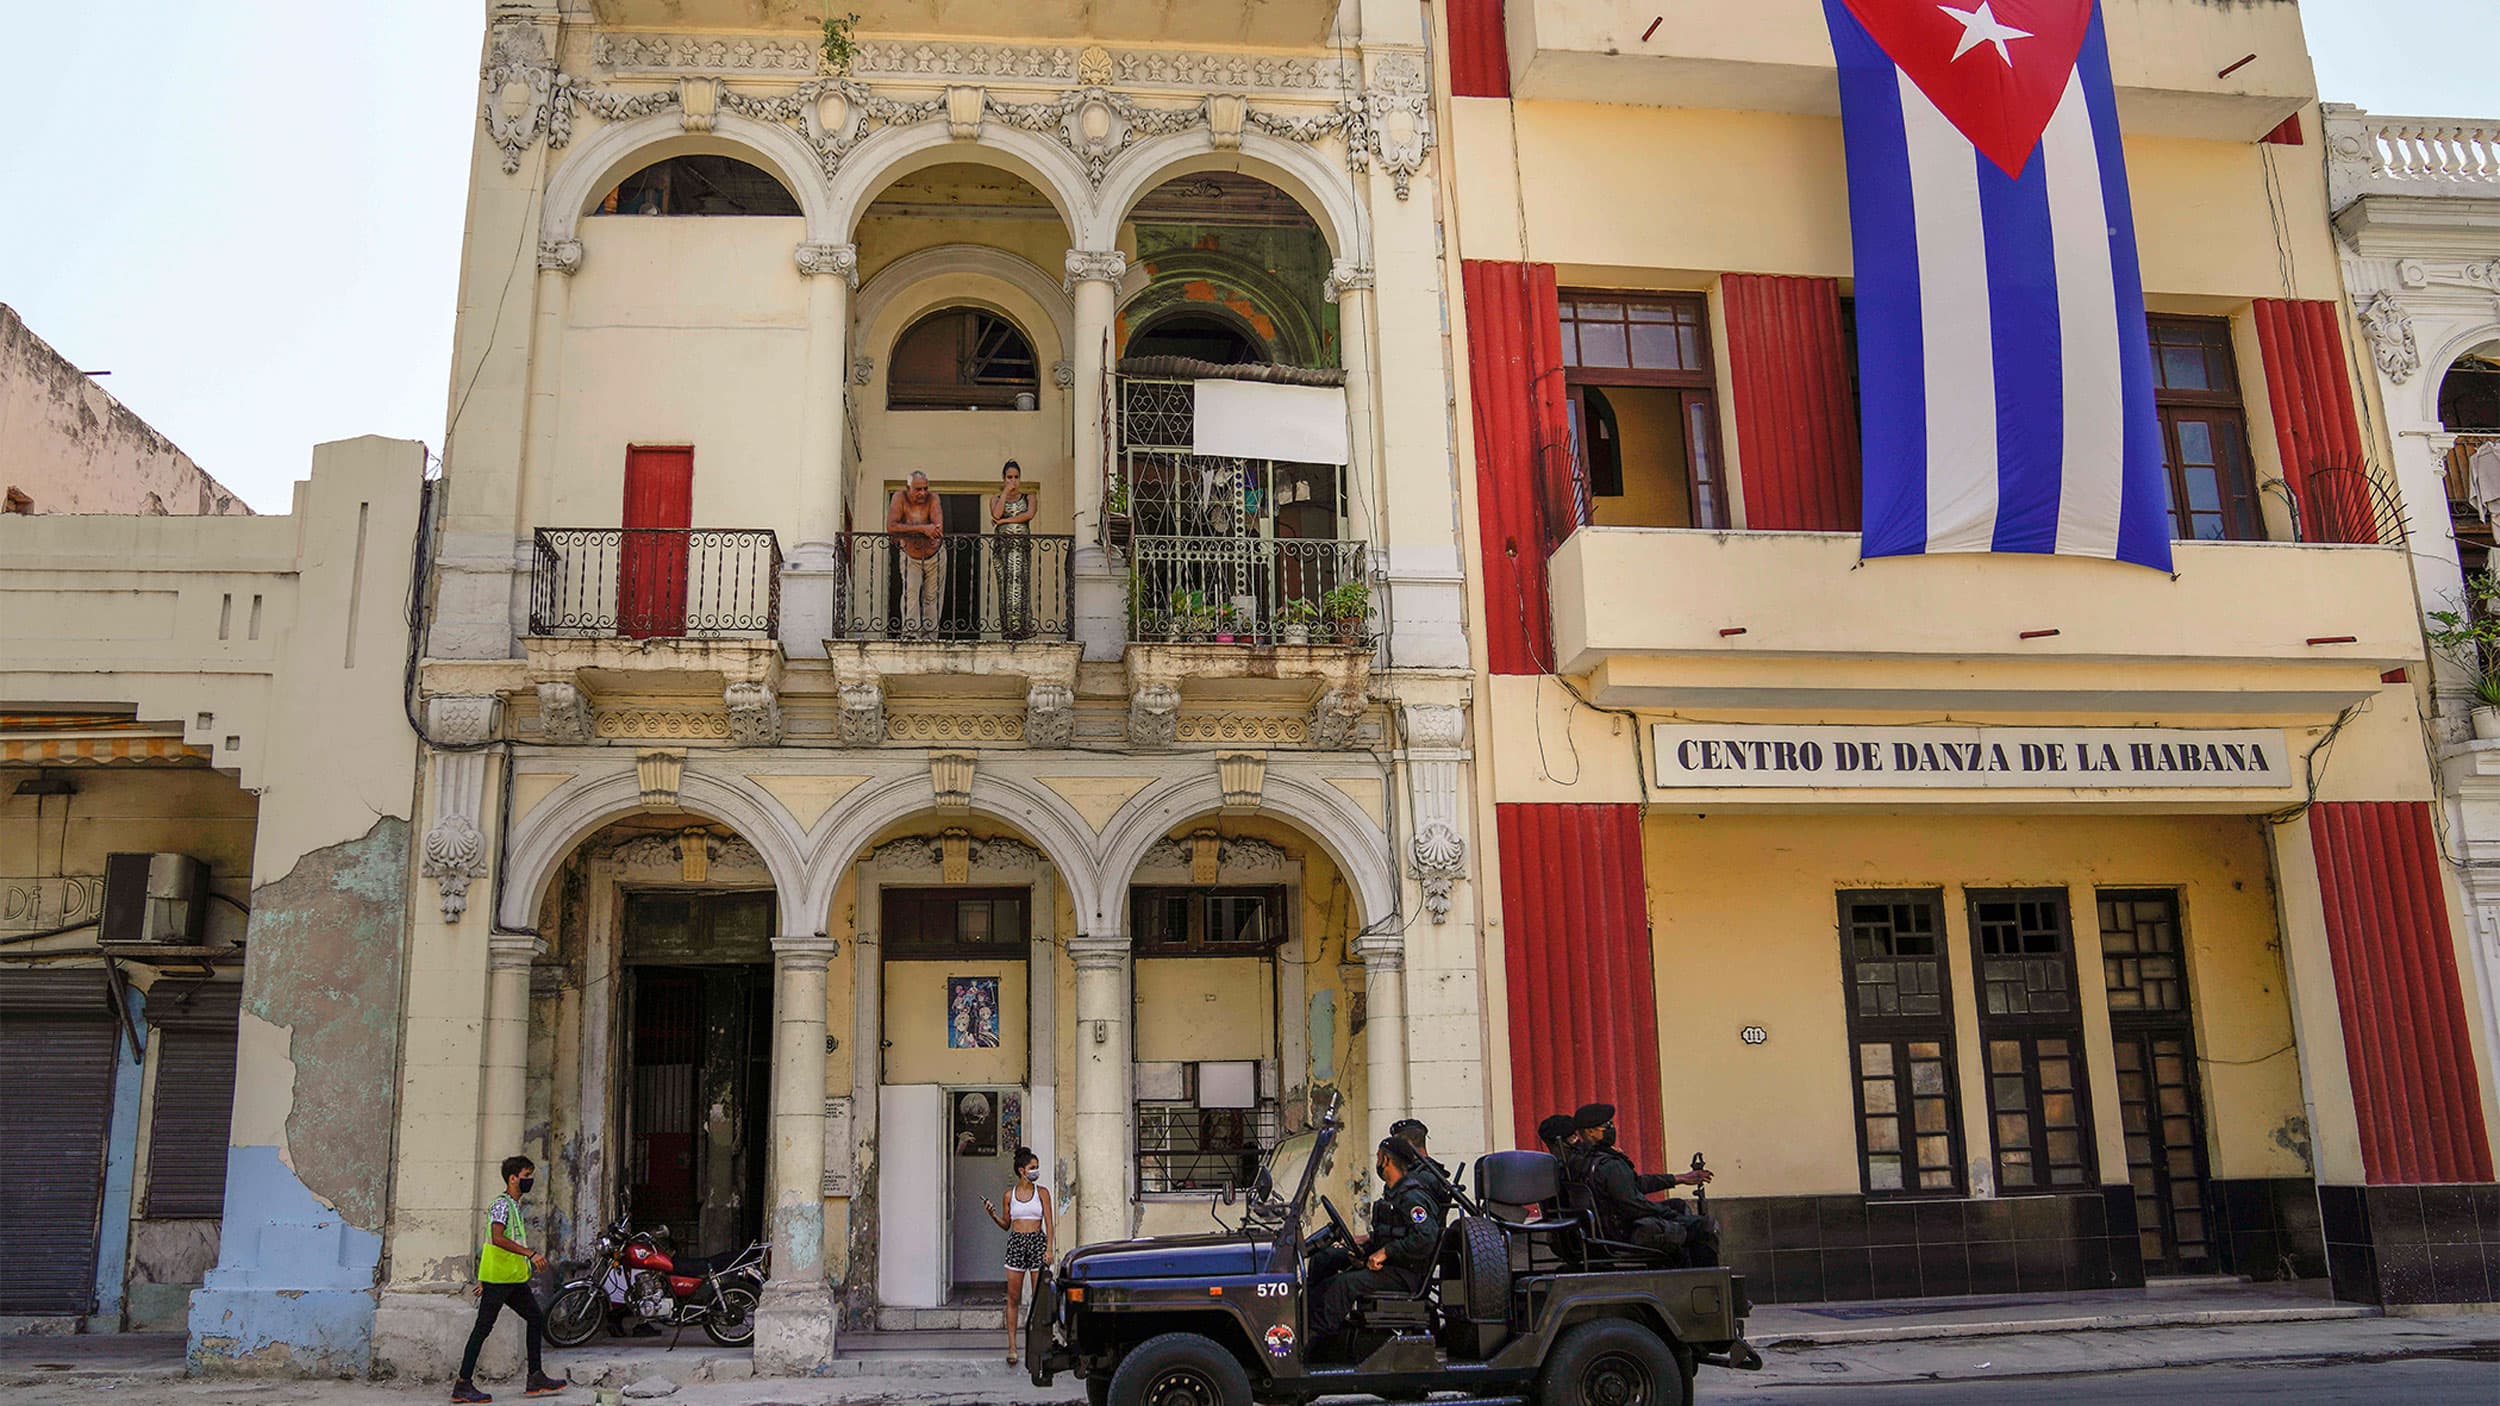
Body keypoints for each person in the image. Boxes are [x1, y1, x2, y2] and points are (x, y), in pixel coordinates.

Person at [1309, 1137, 1447, 1357]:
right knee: (1324, 1260)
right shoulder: (1392, 1194)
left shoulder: (1412, 1197)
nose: (1378, 1161)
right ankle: (1304, 1327)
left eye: (1379, 1156)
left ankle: (1317, 1341)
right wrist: (1365, 1251)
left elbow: (1426, 1237)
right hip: (1390, 1267)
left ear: (1385, 1160)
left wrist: (1385, 1253)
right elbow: (1386, 1236)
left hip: (1406, 1275)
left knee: (1344, 1285)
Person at [451, 1156, 568, 1403]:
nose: (530, 1180)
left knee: (535, 1318)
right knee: (483, 1328)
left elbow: (488, 1244)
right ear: (513, 1178)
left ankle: (535, 1376)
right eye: (526, 1175)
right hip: (499, 1280)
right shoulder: (502, 1205)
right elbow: (496, 1238)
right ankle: (463, 1384)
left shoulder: (513, 1206)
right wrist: (530, 1253)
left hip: (511, 1279)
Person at [1571, 1103, 1719, 1267]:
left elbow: (1634, 1184)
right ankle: (1703, 1282)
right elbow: (1633, 1205)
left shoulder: (1581, 1160)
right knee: (1705, 1226)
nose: (1611, 1128)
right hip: (1624, 1233)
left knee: (1678, 1205)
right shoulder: (1609, 1164)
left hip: (1608, 1229)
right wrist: (1669, 1214)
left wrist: (1679, 1178)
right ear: (1590, 1131)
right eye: (1607, 1125)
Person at [983, 1147, 1055, 1367]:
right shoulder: (1009, 1195)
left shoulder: (1042, 1193)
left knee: (1038, 1298)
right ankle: (1012, 1346)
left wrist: (1049, 1249)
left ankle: (1039, 1344)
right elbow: (1006, 1225)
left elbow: (1049, 1224)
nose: (1036, 1171)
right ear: (1022, 1170)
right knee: (1013, 1297)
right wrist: (993, 1214)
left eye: (1037, 1167)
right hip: (1016, 1242)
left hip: (1036, 1242)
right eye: (1033, 1168)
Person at [887, 471, 944, 639]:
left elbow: (937, 528)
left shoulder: (933, 498)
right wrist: (922, 529)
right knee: (910, 594)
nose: (923, 493)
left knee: (932, 597)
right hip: (911, 556)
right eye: (918, 489)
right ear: (908, 487)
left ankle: (930, 637)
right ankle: (911, 633)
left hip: (935, 555)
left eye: (925, 488)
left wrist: (910, 530)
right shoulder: (899, 498)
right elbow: (891, 526)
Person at [990, 461, 1036, 640]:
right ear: (1003, 479)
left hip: (1020, 547)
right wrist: (1004, 493)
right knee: (1005, 584)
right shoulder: (995, 499)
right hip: (1003, 548)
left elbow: (1029, 515)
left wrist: (1003, 522)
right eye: (1009, 477)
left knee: (1020, 581)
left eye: (1016, 477)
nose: (1013, 481)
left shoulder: (1029, 497)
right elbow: (996, 514)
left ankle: (1021, 627)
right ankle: (1008, 628)